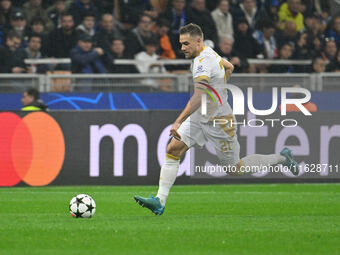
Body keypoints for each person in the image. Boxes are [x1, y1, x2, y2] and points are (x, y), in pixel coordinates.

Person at [134, 23, 299, 215]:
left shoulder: (203, 61)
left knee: (235, 168)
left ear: (198, 41)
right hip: (201, 116)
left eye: (186, 44)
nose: (182, 48)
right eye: (181, 44)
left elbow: (198, 95)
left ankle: (281, 158)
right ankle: (159, 201)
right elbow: (229, 66)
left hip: (220, 122)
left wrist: (178, 121)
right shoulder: (208, 52)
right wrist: (219, 89)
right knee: (173, 149)